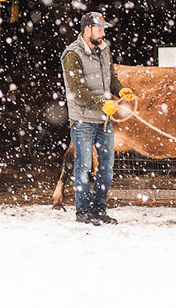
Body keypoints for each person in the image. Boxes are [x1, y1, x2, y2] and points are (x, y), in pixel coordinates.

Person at [60, 11, 136, 225]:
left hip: (104, 120)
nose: (103, 33)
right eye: (100, 28)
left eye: (104, 28)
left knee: (106, 166)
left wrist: (121, 91)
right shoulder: (72, 54)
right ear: (87, 30)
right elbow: (77, 91)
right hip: (83, 121)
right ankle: (83, 212)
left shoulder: (104, 51)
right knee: (83, 167)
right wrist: (102, 103)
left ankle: (99, 210)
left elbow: (111, 78)